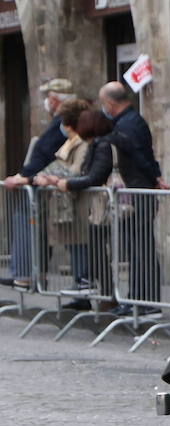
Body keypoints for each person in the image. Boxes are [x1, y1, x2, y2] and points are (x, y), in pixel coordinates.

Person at [2, 78, 76, 287]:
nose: (45, 102)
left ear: (54, 99)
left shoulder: (63, 124)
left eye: (47, 97)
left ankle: (26, 274)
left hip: (46, 183)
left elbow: (47, 154)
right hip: (43, 181)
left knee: (31, 224)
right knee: (40, 228)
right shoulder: (61, 123)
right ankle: (32, 273)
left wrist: (25, 177)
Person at [98, 81, 162, 309]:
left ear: (110, 103)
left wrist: (154, 179)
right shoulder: (127, 122)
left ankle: (144, 301)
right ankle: (137, 299)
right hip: (137, 191)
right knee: (136, 248)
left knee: (141, 247)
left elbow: (139, 157)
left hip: (138, 192)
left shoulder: (128, 125)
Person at [30, 99, 93, 308]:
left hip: (78, 205)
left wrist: (51, 179)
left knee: (81, 246)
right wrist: (43, 176)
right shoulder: (71, 142)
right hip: (65, 206)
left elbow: (74, 171)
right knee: (73, 245)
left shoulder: (83, 144)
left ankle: (84, 285)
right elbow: (57, 165)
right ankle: (80, 291)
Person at [52, 109, 116, 305]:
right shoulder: (96, 144)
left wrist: (69, 184)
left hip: (101, 205)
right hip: (95, 207)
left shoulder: (102, 145)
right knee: (96, 252)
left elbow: (95, 176)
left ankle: (108, 295)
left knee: (98, 251)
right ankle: (106, 294)